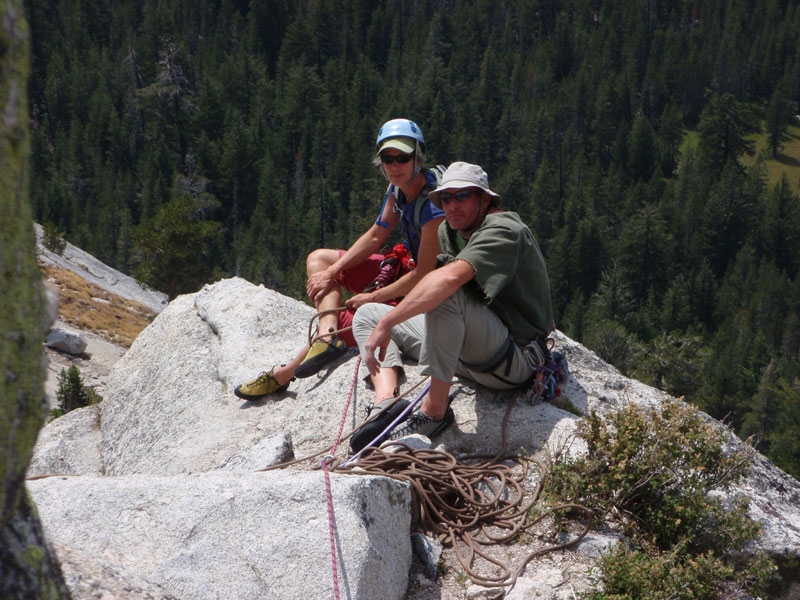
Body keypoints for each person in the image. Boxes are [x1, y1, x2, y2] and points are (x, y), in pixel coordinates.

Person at [234, 119, 446, 400]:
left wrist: (373, 297)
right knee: (320, 261)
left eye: (403, 158)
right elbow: (375, 235)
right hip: (404, 269)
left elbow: (424, 274)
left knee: (362, 319)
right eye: (387, 158)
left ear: (418, 157)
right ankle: (327, 335)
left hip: (427, 287)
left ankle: (284, 373)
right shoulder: (398, 189)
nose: (394, 166)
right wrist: (332, 271)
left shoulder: (433, 204)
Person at [349, 161, 554, 451]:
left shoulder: (504, 229)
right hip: (470, 347)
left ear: (485, 199)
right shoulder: (451, 230)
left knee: (445, 291)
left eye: (462, 196)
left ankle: (434, 412)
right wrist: (384, 318)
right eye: (446, 198)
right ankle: (385, 403)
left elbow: (449, 278)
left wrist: (389, 323)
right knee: (369, 314)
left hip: (514, 359)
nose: (452, 205)